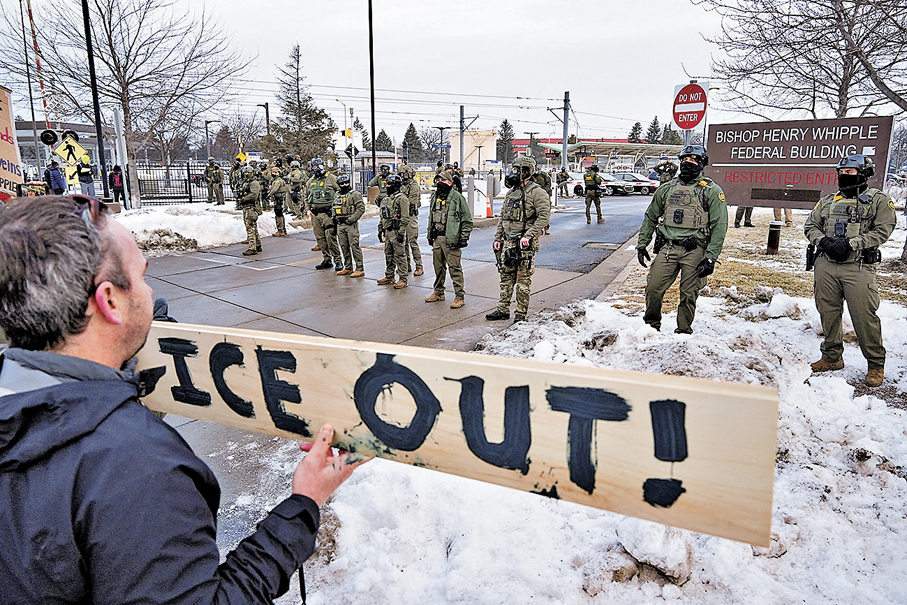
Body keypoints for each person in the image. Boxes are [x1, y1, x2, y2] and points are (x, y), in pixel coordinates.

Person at [0, 195, 366, 603]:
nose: (151, 291)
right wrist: (305, 502)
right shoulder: (135, 467)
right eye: (141, 276)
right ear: (109, 301)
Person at [804, 154, 896, 387]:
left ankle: (875, 364)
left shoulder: (879, 201)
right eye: (841, 172)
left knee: (864, 316)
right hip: (826, 264)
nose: (844, 177)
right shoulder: (827, 200)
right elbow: (810, 225)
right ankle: (832, 357)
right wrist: (823, 242)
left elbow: (883, 231)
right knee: (828, 311)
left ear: (864, 174)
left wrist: (851, 244)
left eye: (850, 173)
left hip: (859, 266)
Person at [635, 144, 729, 334]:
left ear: (702, 163)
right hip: (668, 248)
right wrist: (642, 244)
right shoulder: (666, 189)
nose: (688, 163)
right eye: (684, 160)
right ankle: (651, 327)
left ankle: (684, 331)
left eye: (693, 160)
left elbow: (720, 226)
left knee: (688, 293)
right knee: (653, 288)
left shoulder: (710, 190)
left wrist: (711, 257)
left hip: (694, 250)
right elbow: (651, 216)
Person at [486, 156, 550, 323]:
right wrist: (498, 238)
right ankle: (502, 309)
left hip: (525, 244)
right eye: (513, 170)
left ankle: (520, 314)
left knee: (523, 280)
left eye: (517, 170)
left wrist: (528, 236)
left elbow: (544, 217)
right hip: (508, 241)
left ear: (527, 172)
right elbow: (503, 218)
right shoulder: (511, 192)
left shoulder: (537, 192)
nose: (513, 173)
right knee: (505, 277)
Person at [425, 170, 472, 309]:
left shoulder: (457, 198)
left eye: (443, 181)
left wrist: (464, 238)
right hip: (437, 238)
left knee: (455, 269)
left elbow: (467, 220)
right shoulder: (435, 197)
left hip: (451, 239)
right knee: (438, 268)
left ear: (450, 182)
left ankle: (459, 296)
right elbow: (431, 218)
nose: (440, 183)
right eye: (438, 180)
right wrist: (430, 235)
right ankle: (438, 292)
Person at [306, 158, 342, 270]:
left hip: (328, 214)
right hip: (316, 214)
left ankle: (338, 261)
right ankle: (327, 260)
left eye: (319, 166)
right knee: (320, 239)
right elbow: (306, 196)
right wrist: (308, 209)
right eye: (315, 167)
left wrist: (336, 209)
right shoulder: (310, 181)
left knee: (330, 238)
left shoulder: (331, 178)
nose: (317, 169)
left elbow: (340, 192)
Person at [376, 173, 411, 289]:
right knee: (388, 254)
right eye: (386, 184)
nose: (387, 186)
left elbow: (405, 218)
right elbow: (383, 215)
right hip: (388, 231)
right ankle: (389, 276)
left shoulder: (402, 199)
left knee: (400, 255)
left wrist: (401, 233)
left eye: (389, 184)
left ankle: (403, 278)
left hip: (397, 231)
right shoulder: (386, 199)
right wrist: (380, 229)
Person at [333, 173, 366, 277]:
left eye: (346, 183)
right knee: (343, 246)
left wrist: (351, 219)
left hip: (350, 224)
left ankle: (360, 268)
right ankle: (348, 267)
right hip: (340, 224)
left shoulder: (354, 194)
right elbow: (334, 206)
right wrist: (334, 218)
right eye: (342, 183)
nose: (344, 185)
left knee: (354, 246)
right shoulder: (337, 194)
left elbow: (361, 209)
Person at [399, 164, 424, 276]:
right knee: (403, 243)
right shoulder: (401, 185)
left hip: (410, 216)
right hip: (402, 217)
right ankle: (406, 265)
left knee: (412, 242)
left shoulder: (413, 186)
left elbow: (410, 202)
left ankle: (419, 266)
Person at [238, 165, 263, 256]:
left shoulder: (254, 183)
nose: (247, 174)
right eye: (246, 172)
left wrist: (243, 199)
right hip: (247, 207)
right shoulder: (246, 182)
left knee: (250, 227)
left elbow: (254, 195)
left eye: (249, 172)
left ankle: (252, 248)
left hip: (251, 207)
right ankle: (258, 245)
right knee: (253, 227)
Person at [531, 167, 553, 234]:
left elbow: (548, 183)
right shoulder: (530, 176)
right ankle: (537, 229)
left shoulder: (543, 174)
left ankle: (546, 228)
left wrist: (543, 192)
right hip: (533, 195)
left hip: (544, 194)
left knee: (545, 212)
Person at [269, 166, 289, 237]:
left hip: (279, 199)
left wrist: (269, 195)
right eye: (273, 172)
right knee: (280, 214)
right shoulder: (275, 180)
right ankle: (283, 229)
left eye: (275, 172)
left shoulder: (278, 180)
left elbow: (274, 189)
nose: (273, 173)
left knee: (278, 214)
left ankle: (280, 230)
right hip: (278, 198)